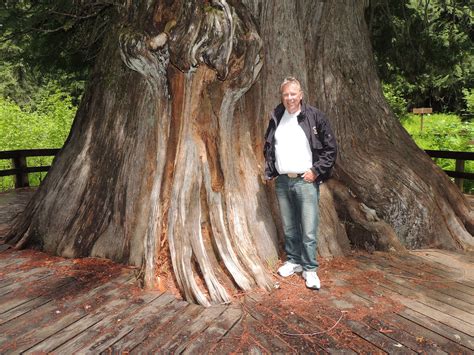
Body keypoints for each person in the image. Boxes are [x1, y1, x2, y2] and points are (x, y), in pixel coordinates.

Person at [264, 77, 337, 290]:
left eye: (293, 94)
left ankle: (310, 269)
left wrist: (316, 171)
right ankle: (294, 261)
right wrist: (272, 170)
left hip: (306, 181)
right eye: (286, 94)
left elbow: (330, 149)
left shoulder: (314, 116)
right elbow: (269, 145)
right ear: (282, 96)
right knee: (289, 226)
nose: (289, 98)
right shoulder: (277, 116)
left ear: (301, 95)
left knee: (308, 228)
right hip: (283, 181)